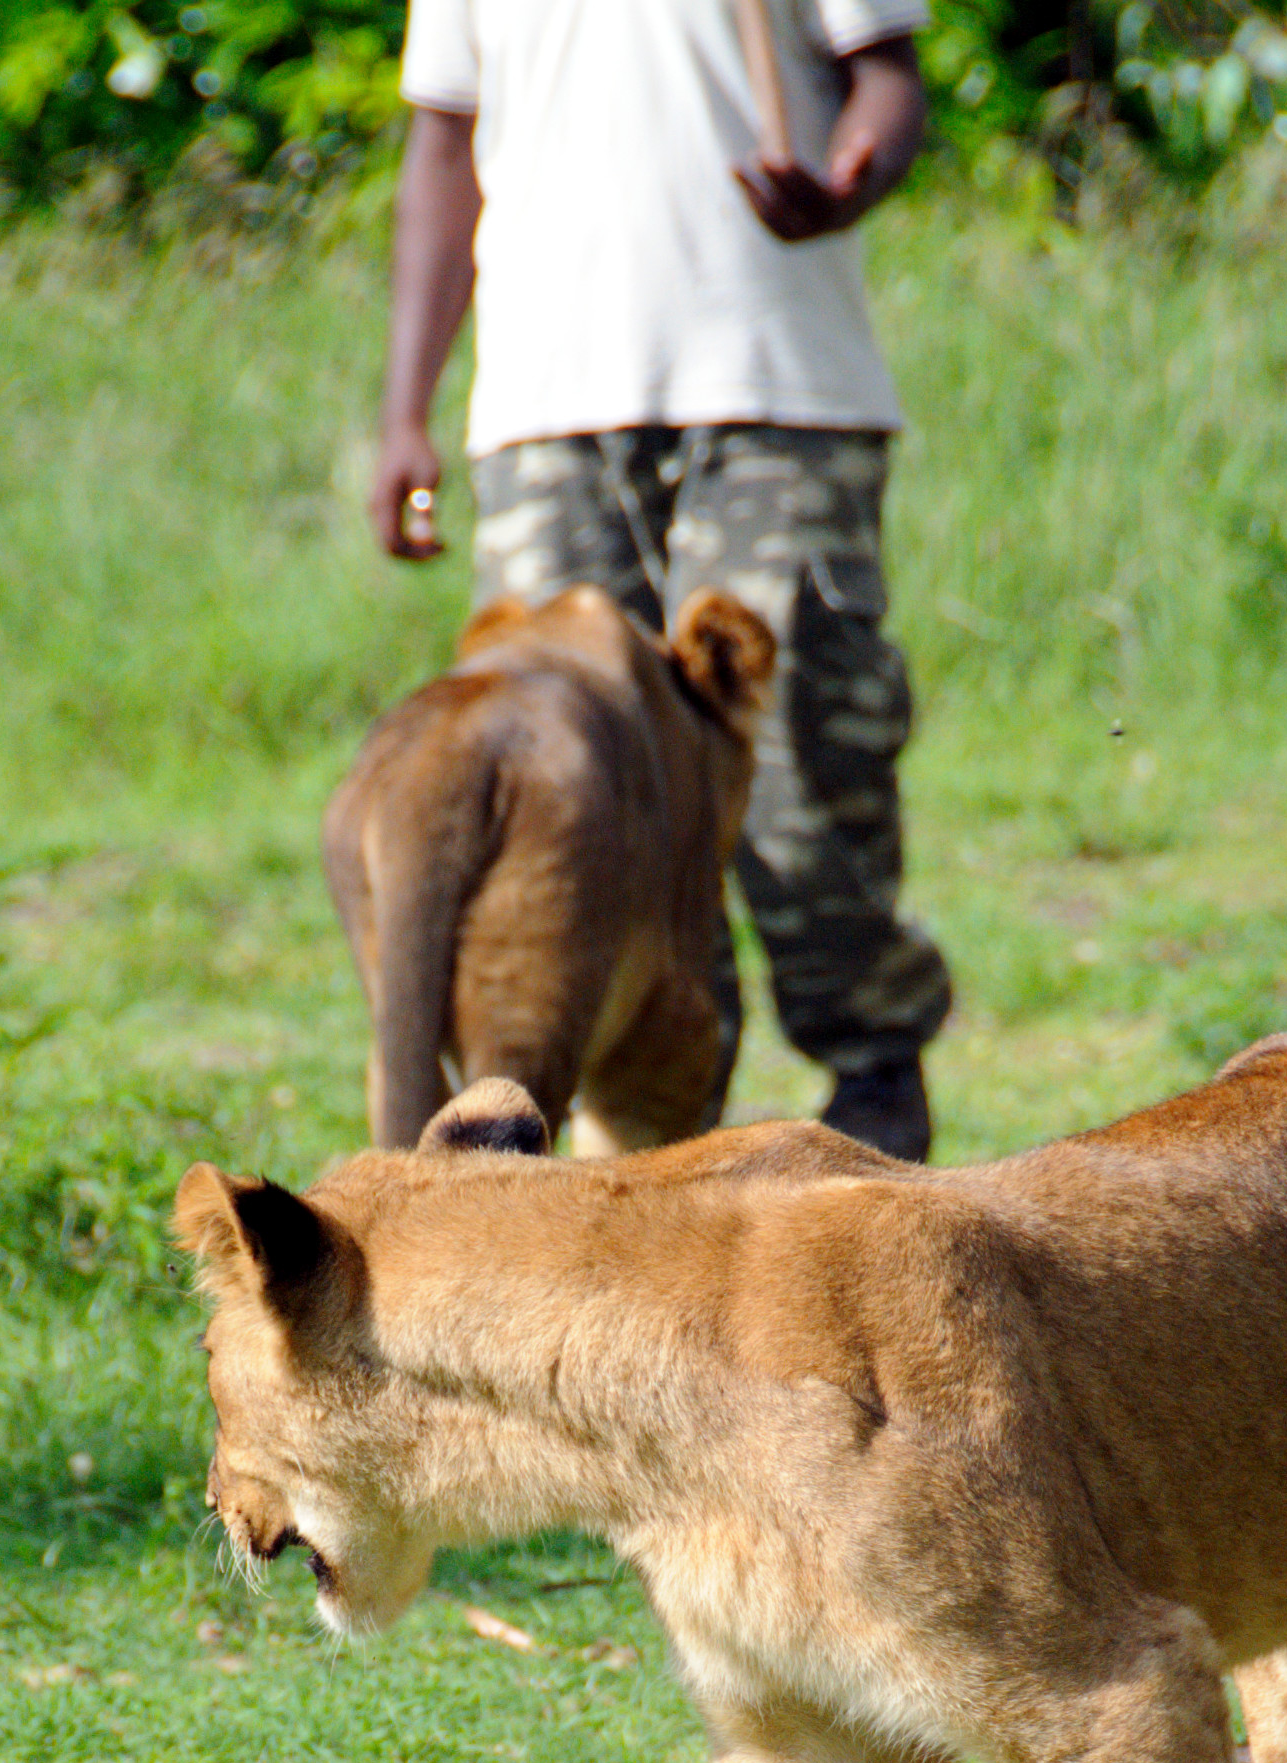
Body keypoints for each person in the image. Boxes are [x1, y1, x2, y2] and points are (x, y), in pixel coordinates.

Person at [369, 0, 951, 1161]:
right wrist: (405, 411)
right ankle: (635, 1133)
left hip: (777, 388)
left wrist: (849, 180)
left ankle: (873, 1078)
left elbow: (888, 82)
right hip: (543, 407)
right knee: (572, 793)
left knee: (798, 752)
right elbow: (442, 148)